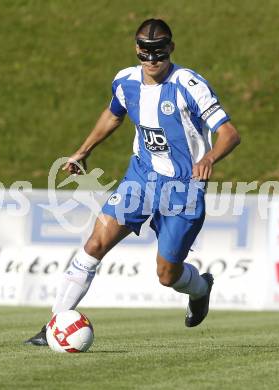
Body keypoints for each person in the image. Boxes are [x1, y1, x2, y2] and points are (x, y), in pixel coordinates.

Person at [25, 18, 240, 346]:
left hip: (183, 188)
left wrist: (209, 158)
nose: (152, 60)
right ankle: (53, 325)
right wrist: (83, 152)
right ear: (136, 50)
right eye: (145, 53)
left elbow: (229, 133)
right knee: (95, 244)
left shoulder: (189, 85)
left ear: (171, 48)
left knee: (167, 274)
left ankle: (200, 287)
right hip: (140, 179)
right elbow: (113, 115)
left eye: (159, 52)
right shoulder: (125, 82)